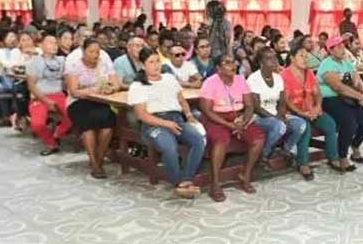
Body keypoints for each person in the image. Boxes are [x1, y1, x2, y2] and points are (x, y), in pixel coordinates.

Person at [128, 47, 205, 199]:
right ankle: (177, 182)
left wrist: (189, 116)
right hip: (154, 124)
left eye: (158, 61)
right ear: (143, 65)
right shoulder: (137, 86)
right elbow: (142, 115)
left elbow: (181, 99)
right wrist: (166, 124)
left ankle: (186, 180)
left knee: (198, 139)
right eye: (151, 62)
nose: (156, 65)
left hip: (176, 119)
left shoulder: (169, 78)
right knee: (169, 147)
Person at [199, 54, 265, 201]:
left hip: (238, 117)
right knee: (221, 140)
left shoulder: (241, 80)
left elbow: (249, 105)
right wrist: (228, 125)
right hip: (216, 118)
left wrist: (244, 120)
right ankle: (215, 183)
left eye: (233, 62)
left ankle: (245, 175)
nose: (233, 65)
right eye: (227, 63)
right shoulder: (210, 82)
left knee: (258, 138)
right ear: (218, 68)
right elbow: (206, 110)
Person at [281, 40, 343, 178]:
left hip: (311, 110)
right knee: (306, 128)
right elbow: (287, 101)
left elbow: (317, 93)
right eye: (302, 56)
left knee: (330, 124)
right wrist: (303, 114)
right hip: (293, 113)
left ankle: (333, 157)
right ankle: (302, 163)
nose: (306, 59)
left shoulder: (309, 73)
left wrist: (317, 106)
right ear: (292, 58)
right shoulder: (284, 75)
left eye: (307, 56)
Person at [317, 35, 363, 171]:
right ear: (330, 50)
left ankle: (355, 145)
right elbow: (337, 87)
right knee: (349, 123)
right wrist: (359, 96)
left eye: (343, 45)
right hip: (329, 100)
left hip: (349, 98)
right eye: (338, 47)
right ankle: (342, 156)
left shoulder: (346, 63)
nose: (342, 48)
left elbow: (358, 79)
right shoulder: (326, 64)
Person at [64, 38, 119, 179]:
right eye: (91, 51)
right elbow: (73, 91)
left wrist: (110, 89)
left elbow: (116, 84)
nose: (95, 55)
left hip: (100, 101)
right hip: (78, 103)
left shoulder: (103, 64)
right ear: (84, 52)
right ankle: (95, 164)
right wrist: (94, 90)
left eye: (97, 52)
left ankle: (99, 157)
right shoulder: (75, 66)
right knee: (88, 126)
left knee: (108, 123)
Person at [248, 47, 307, 165]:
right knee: (279, 126)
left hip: (276, 114)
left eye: (274, 57)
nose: (274, 61)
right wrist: (277, 118)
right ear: (261, 62)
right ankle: (264, 154)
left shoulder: (278, 78)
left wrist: (281, 115)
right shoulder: (253, 79)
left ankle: (285, 150)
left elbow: (281, 101)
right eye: (269, 59)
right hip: (259, 117)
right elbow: (257, 108)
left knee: (300, 124)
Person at [26, 35, 72, 155]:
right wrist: (46, 101)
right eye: (50, 43)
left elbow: (67, 79)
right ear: (41, 45)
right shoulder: (34, 62)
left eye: (56, 43)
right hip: (39, 96)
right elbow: (31, 85)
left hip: (58, 95)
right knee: (37, 125)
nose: (54, 46)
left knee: (74, 114)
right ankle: (52, 143)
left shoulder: (62, 60)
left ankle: (57, 134)